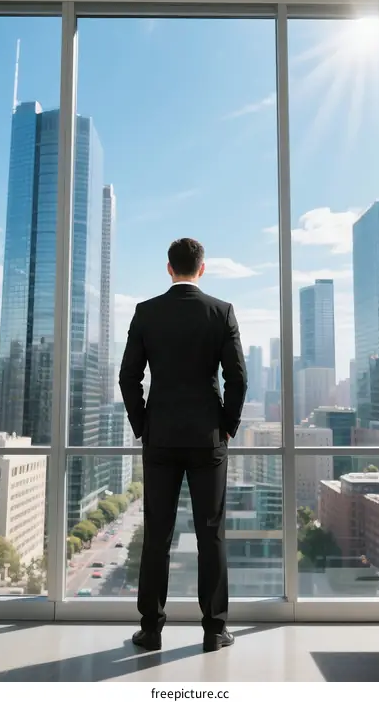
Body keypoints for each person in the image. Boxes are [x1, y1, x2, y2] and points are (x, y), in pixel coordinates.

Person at [119, 237, 248, 653]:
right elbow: (238, 378)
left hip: (161, 437)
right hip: (207, 437)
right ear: (202, 268)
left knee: (157, 533)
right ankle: (214, 630)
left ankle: (151, 629)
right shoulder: (221, 311)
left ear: (169, 268)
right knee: (211, 533)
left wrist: (143, 425)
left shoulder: (146, 312)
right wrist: (227, 424)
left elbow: (128, 377)